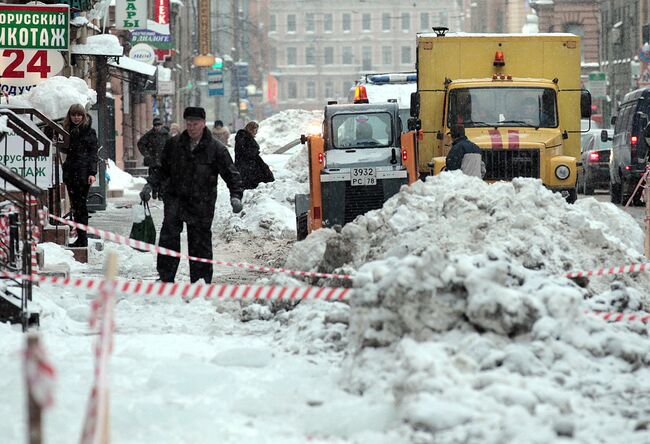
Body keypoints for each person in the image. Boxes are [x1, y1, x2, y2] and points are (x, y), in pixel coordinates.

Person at [140, 107, 244, 283]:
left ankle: (200, 281)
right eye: (188, 123)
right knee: (169, 238)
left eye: (195, 123)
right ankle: (166, 278)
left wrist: (236, 195)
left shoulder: (216, 148)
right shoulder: (174, 145)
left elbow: (231, 173)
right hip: (175, 197)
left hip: (202, 201)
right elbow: (162, 169)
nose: (192, 126)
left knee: (200, 242)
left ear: (203, 124)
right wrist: (150, 185)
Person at [62, 104, 99, 248]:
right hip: (71, 172)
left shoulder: (89, 132)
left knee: (80, 206)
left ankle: (82, 238)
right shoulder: (67, 130)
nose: (76, 118)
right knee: (75, 206)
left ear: (83, 116)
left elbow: (93, 154)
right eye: (73, 115)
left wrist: (92, 173)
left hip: (83, 174)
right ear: (69, 116)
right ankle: (80, 237)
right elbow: (65, 150)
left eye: (79, 115)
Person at [234, 121, 275, 189]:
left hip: (249, 164)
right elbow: (244, 151)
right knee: (252, 181)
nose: (256, 132)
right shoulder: (243, 136)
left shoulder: (246, 136)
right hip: (246, 165)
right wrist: (254, 151)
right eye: (255, 130)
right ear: (251, 129)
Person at [137, 117, 170, 199]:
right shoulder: (149, 135)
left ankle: (161, 194)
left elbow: (172, 146)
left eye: (158, 125)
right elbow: (140, 143)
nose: (157, 127)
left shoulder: (166, 135)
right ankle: (154, 192)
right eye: (155, 125)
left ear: (161, 125)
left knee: (163, 179)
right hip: (153, 160)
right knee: (153, 179)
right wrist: (147, 154)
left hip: (163, 161)